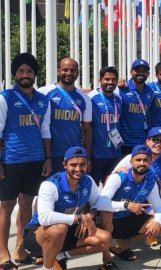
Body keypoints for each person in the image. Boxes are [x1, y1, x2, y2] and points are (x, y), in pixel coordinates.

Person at [23, 147, 118, 270]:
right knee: (59, 229)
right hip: (39, 234)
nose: (78, 169)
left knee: (106, 239)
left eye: (82, 164)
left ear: (88, 164)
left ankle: (62, 256)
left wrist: (89, 216)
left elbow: (97, 203)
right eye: (73, 165)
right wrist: (78, 218)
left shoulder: (88, 180)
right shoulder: (50, 185)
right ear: (65, 165)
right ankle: (47, 268)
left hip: (70, 230)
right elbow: (44, 218)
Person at [0, 53, 52, 269]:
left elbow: (46, 131)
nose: (25, 75)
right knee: (6, 206)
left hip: (35, 160)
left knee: (26, 203)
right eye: (21, 71)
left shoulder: (43, 99)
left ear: (35, 74)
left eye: (29, 71)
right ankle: (3, 254)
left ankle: (20, 249)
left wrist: (48, 158)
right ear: (15, 74)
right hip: (11, 160)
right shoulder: (5, 97)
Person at [97, 145, 161, 261]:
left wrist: (157, 221)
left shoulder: (150, 182)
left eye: (146, 160)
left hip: (129, 220)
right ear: (131, 162)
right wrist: (126, 205)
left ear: (151, 162)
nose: (142, 163)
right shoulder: (118, 177)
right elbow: (100, 203)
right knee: (106, 212)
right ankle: (106, 257)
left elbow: (159, 208)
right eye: (138, 160)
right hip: (112, 222)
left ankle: (125, 241)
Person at [39, 58, 93, 173]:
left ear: (77, 73)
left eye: (72, 70)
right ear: (59, 71)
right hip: (49, 154)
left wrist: (88, 157)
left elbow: (87, 129)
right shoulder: (44, 93)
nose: (69, 73)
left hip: (74, 155)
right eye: (65, 70)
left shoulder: (84, 98)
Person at [88, 66, 123, 185]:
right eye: (107, 79)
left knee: (111, 188)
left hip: (115, 152)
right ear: (100, 80)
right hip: (97, 153)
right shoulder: (91, 97)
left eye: (113, 79)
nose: (110, 82)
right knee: (91, 189)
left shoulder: (118, 98)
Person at [118, 59, 155, 156]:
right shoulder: (121, 89)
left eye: (144, 71)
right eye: (137, 70)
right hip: (124, 142)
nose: (141, 73)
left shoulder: (150, 92)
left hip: (143, 141)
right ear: (131, 72)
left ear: (148, 73)